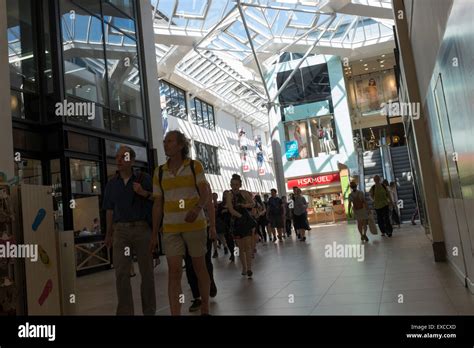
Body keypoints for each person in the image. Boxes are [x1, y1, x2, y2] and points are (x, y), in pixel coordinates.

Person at [149, 130, 216, 316]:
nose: (165, 144)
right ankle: (175, 312)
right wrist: (154, 233)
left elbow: (205, 193)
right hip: (171, 228)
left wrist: (197, 209)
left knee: (199, 267)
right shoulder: (159, 172)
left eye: (169, 141)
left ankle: (205, 307)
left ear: (180, 145)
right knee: (174, 271)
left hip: (195, 226)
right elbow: (157, 204)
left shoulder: (195, 166)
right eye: (164, 141)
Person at [103, 146, 156, 315]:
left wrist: (143, 192)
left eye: (123, 157)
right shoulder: (112, 183)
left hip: (141, 229)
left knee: (146, 273)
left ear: (132, 160)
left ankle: (149, 311)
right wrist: (108, 233)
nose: (119, 160)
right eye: (117, 157)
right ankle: (125, 312)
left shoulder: (144, 178)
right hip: (121, 232)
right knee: (121, 274)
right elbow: (109, 210)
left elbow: (156, 199)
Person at [184, 183, 218, 313]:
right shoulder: (181, 184)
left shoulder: (203, 185)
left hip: (204, 228)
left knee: (205, 261)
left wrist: (213, 226)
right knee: (189, 263)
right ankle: (196, 296)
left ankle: (210, 282)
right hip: (185, 229)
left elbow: (210, 206)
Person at [226, 174, 256, 278]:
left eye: (237, 184)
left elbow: (253, 204)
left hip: (246, 222)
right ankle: (244, 267)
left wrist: (245, 206)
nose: (235, 186)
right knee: (240, 247)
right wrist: (240, 217)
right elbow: (230, 209)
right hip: (236, 223)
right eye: (233, 184)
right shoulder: (229, 195)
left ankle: (249, 268)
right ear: (230, 184)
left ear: (240, 185)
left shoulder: (244, 193)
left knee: (247, 246)